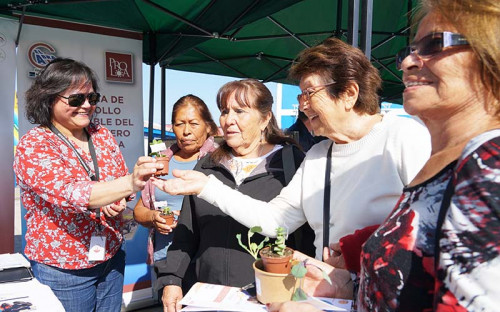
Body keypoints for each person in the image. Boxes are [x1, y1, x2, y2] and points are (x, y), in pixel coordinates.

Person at [270, 0, 500, 310]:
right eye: (408, 51)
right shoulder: (449, 160)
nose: (407, 63)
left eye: (434, 44)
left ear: (491, 55)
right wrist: (353, 271)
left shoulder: (489, 164)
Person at [152, 37, 432, 260]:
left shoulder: (403, 138)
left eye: (310, 93)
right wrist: (206, 187)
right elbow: (275, 222)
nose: (302, 104)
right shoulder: (318, 156)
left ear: (348, 93)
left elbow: (433, 233)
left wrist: (357, 258)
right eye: (300, 95)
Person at [13, 58, 162, 312]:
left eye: (92, 99)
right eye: (76, 99)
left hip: (111, 256)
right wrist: (130, 182)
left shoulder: (100, 134)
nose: (86, 106)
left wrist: (116, 201)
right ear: (49, 98)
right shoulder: (35, 144)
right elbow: (72, 193)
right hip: (66, 269)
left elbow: (117, 180)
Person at [153, 79, 306, 312]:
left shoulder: (290, 165)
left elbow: (304, 240)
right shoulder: (207, 166)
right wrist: (172, 280)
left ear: (265, 118)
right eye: (225, 111)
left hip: (269, 301)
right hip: (207, 298)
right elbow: (187, 231)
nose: (229, 119)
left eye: (240, 111)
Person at [134, 95, 218, 265]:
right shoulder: (159, 162)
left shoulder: (219, 161)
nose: (186, 131)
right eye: (180, 124)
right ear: (173, 128)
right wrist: (153, 217)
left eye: (194, 123)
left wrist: (189, 218)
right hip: (163, 257)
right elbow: (139, 210)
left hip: (204, 259)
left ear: (208, 127)